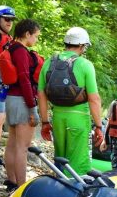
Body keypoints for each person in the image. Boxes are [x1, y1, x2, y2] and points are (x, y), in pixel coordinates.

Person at [38, 27, 103, 176]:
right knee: (78, 163)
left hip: (58, 118)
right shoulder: (85, 65)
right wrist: (99, 126)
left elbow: (41, 95)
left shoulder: (48, 63)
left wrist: (45, 122)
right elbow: (94, 99)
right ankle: (76, 194)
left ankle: (58, 190)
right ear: (82, 45)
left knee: (61, 159)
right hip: (79, 118)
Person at [3, 19, 41, 192]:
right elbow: (25, 79)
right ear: (27, 34)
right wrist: (33, 107)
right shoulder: (21, 51)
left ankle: (11, 181)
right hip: (22, 101)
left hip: (11, 99)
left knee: (12, 143)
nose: (36, 40)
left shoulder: (9, 47)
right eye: (36, 36)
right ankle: (21, 188)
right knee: (22, 148)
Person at [0, 6, 16, 148]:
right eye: (6, 19)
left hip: (4, 85)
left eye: (11, 20)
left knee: (1, 118)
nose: (9, 22)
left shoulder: (9, 38)